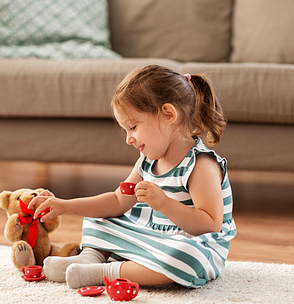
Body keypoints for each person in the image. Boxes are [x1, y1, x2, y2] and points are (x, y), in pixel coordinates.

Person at [29, 64, 236, 289]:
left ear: (168, 114)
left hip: (188, 241)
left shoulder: (201, 164)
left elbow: (210, 224)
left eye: (133, 127)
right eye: (126, 130)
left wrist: (164, 204)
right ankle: (90, 258)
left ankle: (104, 271)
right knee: (100, 215)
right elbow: (117, 201)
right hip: (150, 234)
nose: (129, 139)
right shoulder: (147, 160)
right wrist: (65, 205)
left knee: (186, 257)